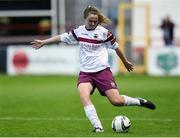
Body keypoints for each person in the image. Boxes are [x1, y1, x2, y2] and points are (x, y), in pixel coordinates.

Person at [31, 5, 156, 133]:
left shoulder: (104, 33)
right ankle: (98, 127)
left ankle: (139, 101)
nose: (93, 23)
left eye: (95, 21)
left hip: (102, 72)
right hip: (86, 73)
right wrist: (44, 42)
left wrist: (125, 62)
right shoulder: (79, 31)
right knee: (84, 96)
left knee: (116, 101)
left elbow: (116, 47)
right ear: (85, 19)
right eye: (90, 21)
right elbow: (61, 38)